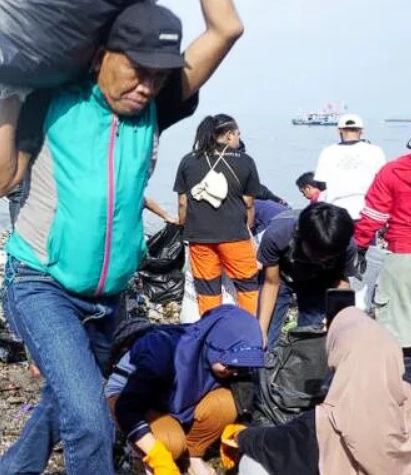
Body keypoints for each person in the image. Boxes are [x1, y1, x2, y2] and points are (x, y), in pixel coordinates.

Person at [0, 0, 244, 475]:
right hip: (41, 284)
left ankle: (11, 469)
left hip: (109, 299)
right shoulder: (53, 100)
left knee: (65, 400)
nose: (146, 85)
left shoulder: (155, 106)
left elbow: (226, 28)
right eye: (136, 70)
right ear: (101, 54)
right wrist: (10, 100)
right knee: (90, 421)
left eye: (159, 75)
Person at [226, 307, 411, 475]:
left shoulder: (329, 420)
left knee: (252, 463)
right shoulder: (406, 397)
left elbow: (277, 445)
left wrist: (242, 436)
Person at [105, 306, 264, 475]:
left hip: (175, 401)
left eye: (242, 367)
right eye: (230, 364)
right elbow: (127, 408)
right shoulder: (163, 351)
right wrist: (158, 458)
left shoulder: (234, 366)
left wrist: (238, 432)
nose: (235, 372)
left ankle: (193, 456)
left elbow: (245, 405)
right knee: (170, 442)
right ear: (213, 346)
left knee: (226, 403)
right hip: (133, 400)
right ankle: (139, 456)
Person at [175, 114, 261, 316]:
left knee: (207, 289)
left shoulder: (188, 160)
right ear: (229, 135)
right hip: (234, 236)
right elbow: (249, 203)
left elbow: (182, 202)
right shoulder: (245, 161)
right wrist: (248, 228)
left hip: (199, 238)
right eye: (238, 134)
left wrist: (183, 225)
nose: (239, 138)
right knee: (247, 287)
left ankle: (211, 329)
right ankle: (247, 328)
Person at [256, 203, 357, 347]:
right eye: (316, 255)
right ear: (300, 236)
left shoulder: (345, 244)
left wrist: (336, 321)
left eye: (329, 257)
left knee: (313, 338)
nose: (322, 260)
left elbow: (341, 283)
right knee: (266, 337)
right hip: (282, 277)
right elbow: (271, 283)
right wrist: (261, 331)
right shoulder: (277, 235)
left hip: (319, 282)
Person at [354, 144, 411, 379]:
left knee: (399, 335)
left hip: (403, 258)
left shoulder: (393, 170)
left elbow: (374, 215)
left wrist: (360, 246)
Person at [313, 113, 386, 221]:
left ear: (339, 131)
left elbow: (321, 184)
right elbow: (383, 181)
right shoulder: (375, 151)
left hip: (336, 213)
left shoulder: (328, 152)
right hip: (367, 212)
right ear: (362, 131)